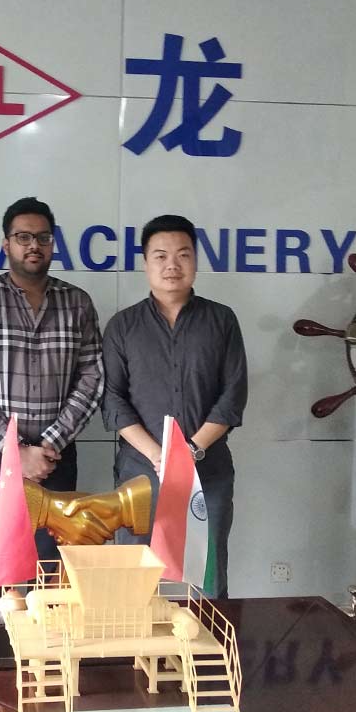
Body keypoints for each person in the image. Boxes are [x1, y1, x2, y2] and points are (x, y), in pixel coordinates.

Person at [0, 196, 104, 604]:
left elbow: (93, 378)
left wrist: (50, 444)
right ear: (6, 244)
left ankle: (45, 646)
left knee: (50, 567)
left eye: (42, 237)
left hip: (56, 457)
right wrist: (16, 450)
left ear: (53, 244)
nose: (33, 245)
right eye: (23, 237)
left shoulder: (77, 303)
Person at [101, 214, 247, 598]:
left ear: (195, 261)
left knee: (209, 574)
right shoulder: (122, 326)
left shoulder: (222, 320)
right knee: (134, 577)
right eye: (161, 256)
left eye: (183, 255)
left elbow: (233, 395)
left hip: (208, 470)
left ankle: (209, 638)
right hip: (140, 472)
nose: (172, 265)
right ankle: (135, 640)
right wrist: (159, 456)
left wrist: (190, 451)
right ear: (145, 263)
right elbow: (113, 400)